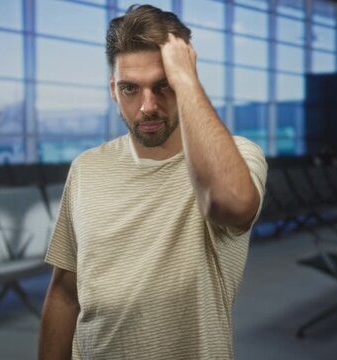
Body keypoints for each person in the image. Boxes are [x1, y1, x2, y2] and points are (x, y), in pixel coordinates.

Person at [38, 4, 267, 359]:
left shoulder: (237, 155)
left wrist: (186, 79)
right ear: (114, 90)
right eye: (131, 89)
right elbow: (66, 292)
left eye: (163, 86)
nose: (147, 106)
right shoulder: (86, 168)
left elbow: (231, 203)